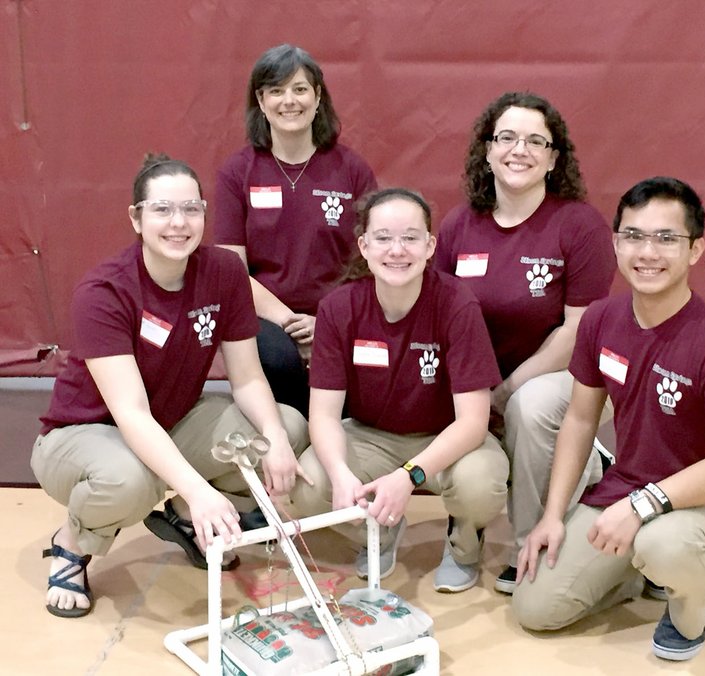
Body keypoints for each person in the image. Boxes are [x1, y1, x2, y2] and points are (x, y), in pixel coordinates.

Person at [32, 154, 310, 618]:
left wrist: (277, 439)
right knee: (129, 480)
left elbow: (246, 378)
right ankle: (72, 541)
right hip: (83, 434)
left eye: (191, 209)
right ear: (136, 218)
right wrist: (205, 489)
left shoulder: (222, 272)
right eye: (162, 210)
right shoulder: (104, 292)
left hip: (173, 420)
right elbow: (131, 413)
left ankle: (181, 514)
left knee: (285, 427)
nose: (178, 223)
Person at [512, 177, 705, 661]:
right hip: (625, 487)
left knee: (665, 544)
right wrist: (553, 516)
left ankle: (691, 613)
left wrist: (644, 505)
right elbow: (581, 421)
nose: (648, 252)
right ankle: (632, 567)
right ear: (616, 243)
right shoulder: (602, 320)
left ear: (695, 250)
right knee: (535, 611)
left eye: (666, 238)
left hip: (701, 504)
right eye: (634, 236)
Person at [433, 91, 616, 593]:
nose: (521, 149)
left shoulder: (579, 226)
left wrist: (507, 388)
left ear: (554, 158)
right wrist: (474, 393)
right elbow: (439, 318)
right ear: (487, 151)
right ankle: (463, 535)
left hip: (562, 380)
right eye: (507, 137)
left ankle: (529, 544)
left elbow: (578, 329)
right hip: (477, 382)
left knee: (529, 408)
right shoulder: (458, 226)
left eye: (537, 140)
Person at [290, 188, 509, 593]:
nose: (397, 250)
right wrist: (340, 475)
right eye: (384, 237)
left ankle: (463, 541)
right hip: (371, 435)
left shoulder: (457, 304)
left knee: (482, 483)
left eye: (410, 237)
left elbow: (474, 423)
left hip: (446, 437)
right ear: (364, 245)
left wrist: (409, 477)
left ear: (429, 247)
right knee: (312, 484)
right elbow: (322, 414)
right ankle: (380, 532)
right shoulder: (339, 308)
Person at [214, 44, 377, 418]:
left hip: (340, 314)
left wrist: (325, 323)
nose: (290, 101)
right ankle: (293, 437)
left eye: (300, 89)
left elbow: (373, 259)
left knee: (355, 354)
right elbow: (231, 269)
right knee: (276, 356)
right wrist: (292, 325)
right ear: (261, 100)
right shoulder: (237, 172)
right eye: (276, 90)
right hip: (266, 318)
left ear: (318, 96)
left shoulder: (351, 169)